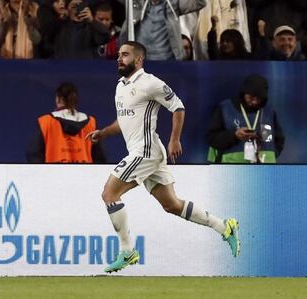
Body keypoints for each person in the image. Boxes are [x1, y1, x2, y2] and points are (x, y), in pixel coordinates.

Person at [86, 41, 240, 273]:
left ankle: (127, 252)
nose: (119, 58)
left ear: (138, 60)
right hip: (146, 153)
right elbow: (125, 120)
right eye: (119, 55)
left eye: (125, 55)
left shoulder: (150, 83)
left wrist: (175, 139)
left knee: (110, 193)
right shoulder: (121, 86)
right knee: (172, 205)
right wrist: (104, 133)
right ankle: (225, 227)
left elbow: (178, 107)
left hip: (145, 151)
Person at [207, 74, 285, 163]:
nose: (254, 102)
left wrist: (272, 154)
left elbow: (279, 139)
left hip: (265, 171)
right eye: (251, 97)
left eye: (258, 98)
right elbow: (211, 138)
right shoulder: (225, 109)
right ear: (244, 93)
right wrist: (234, 135)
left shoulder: (269, 112)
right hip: (233, 171)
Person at [26, 82, 106, 163]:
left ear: (58, 99)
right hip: (84, 174)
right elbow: (100, 157)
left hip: (53, 174)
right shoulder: (91, 123)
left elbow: (34, 154)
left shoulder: (45, 122)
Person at [117, 0, 206, 60]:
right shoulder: (135, 2)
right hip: (140, 61)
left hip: (168, 61)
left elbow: (200, 2)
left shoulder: (174, 4)